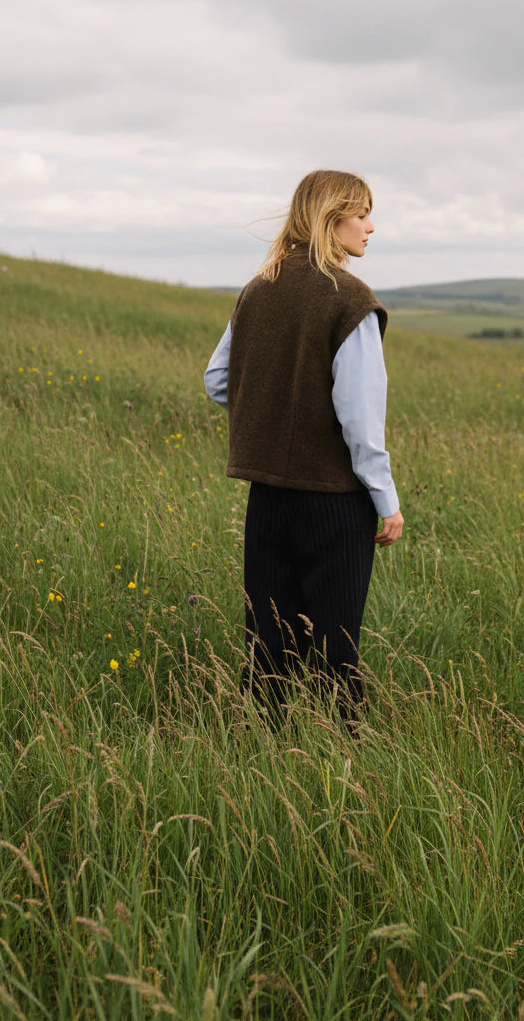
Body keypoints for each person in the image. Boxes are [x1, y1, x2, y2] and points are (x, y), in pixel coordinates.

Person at [204, 169, 403, 727]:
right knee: (336, 649)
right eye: (361, 213)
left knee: (267, 644)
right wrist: (385, 500)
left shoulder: (259, 287)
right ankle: (346, 763)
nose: (371, 226)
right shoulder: (349, 299)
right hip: (335, 501)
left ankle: (258, 754)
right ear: (330, 217)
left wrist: (273, 418)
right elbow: (360, 420)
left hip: (268, 496)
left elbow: (218, 380)